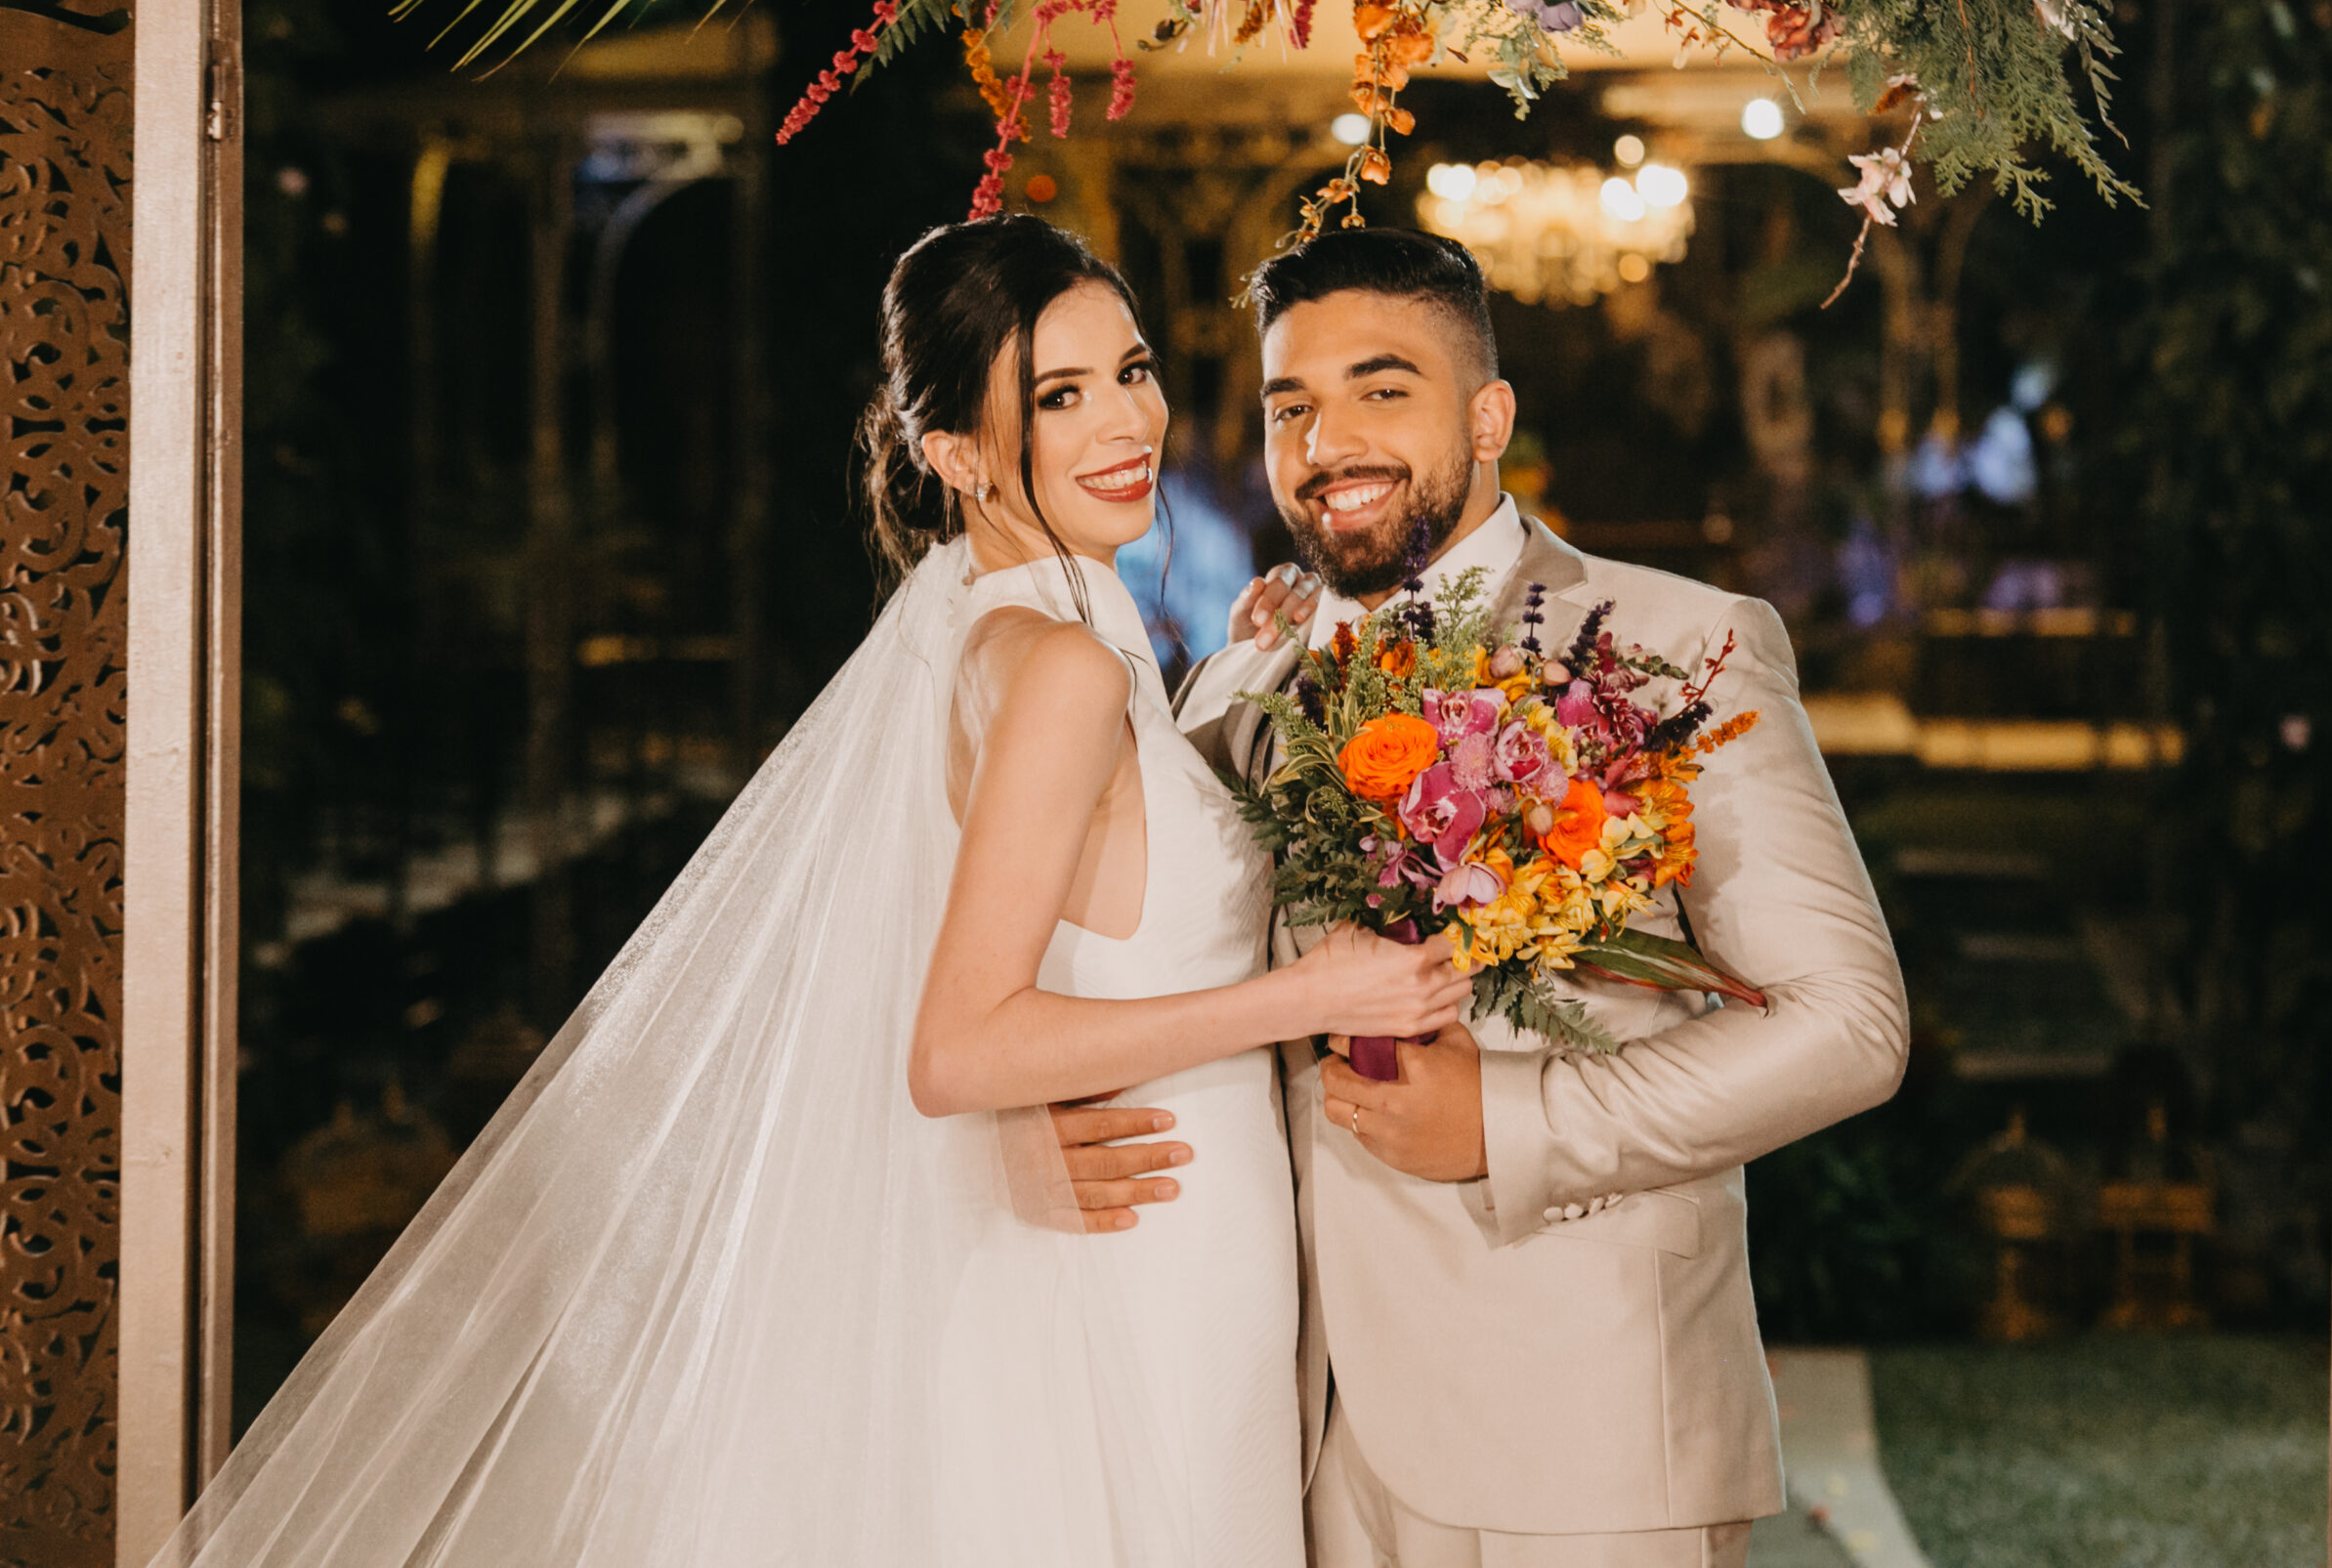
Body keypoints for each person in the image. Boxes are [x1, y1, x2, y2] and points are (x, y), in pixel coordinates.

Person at [153, 214, 1469, 1568]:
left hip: (1146, 1217)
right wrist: (1303, 997)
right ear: (955, 452)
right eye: (1058, 397)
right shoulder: (1061, 669)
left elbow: (1024, 909)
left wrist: (1240, 677)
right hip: (1150, 1250)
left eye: (1130, 371)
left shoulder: (1006, 625)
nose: (1126, 420)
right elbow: (961, 1045)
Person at [1065, 228, 1910, 1568]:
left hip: (1582, 1426)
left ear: (1488, 417)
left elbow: (1849, 1024)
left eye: (1381, 388)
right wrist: (1076, 1125)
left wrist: (1514, 1121)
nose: (1326, 442)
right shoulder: (1236, 685)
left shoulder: (1678, 645)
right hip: (1286, 1436)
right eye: (1291, 407)